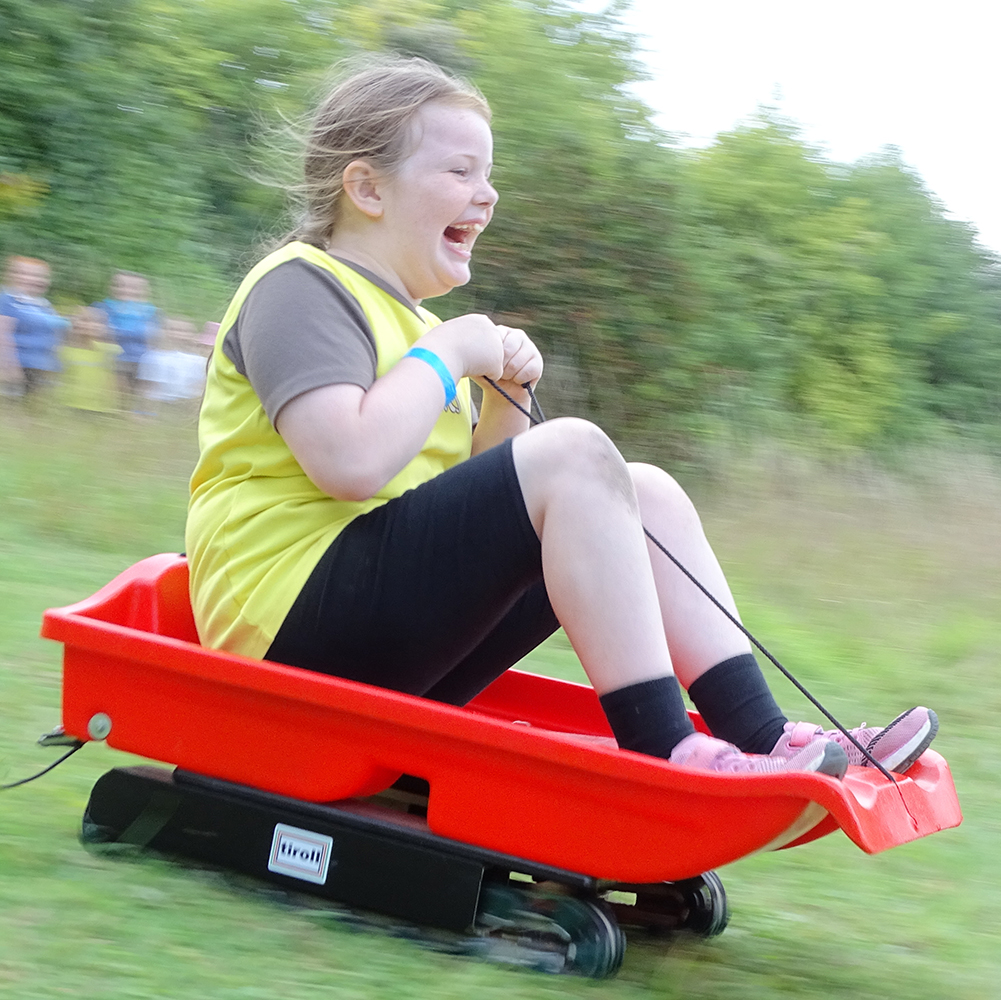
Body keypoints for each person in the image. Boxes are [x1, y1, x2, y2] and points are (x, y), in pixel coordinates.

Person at [186, 57, 938, 778]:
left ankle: (767, 734)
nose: (487, 195)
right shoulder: (299, 286)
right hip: (286, 639)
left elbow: (464, 512)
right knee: (574, 451)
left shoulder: (412, 326)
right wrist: (449, 351)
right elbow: (348, 463)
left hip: (377, 632)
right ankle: (662, 746)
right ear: (367, 188)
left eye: (489, 175)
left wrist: (496, 397)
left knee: (640, 492)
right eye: (459, 172)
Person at [0, 255, 68, 398]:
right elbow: (3, 334)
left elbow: (55, 336)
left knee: (34, 413)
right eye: (24, 273)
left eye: (39, 276)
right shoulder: (7, 301)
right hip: (17, 368)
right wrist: (8, 367)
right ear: (11, 275)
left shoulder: (44, 305)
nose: (32, 279)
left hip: (41, 368)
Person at [96, 270, 158, 412]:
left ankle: (139, 417)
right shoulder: (104, 308)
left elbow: (156, 337)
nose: (127, 290)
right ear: (112, 288)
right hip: (113, 360)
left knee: (142, 394)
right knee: (119, 394)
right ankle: (118, 414)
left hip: (143, 360)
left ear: (144, 291)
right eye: (121, 285)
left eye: (134, 287)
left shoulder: (151, 312)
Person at [59, 305, 121, 414]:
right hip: (68, 407)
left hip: (101, 409)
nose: (91, 325)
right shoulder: (64, 351)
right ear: (74, 323)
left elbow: (115, 382)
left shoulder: (111, 351)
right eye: (85, 321)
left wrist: (115, 407)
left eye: (98, 322)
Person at [138, 317, 206, 408]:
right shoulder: (152, 358)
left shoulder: (199, 361)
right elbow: (146, 388)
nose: (177, 334)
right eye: (172, 329)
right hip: (159, 405)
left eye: (183, 331)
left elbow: (200, 389)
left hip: (187, 406)